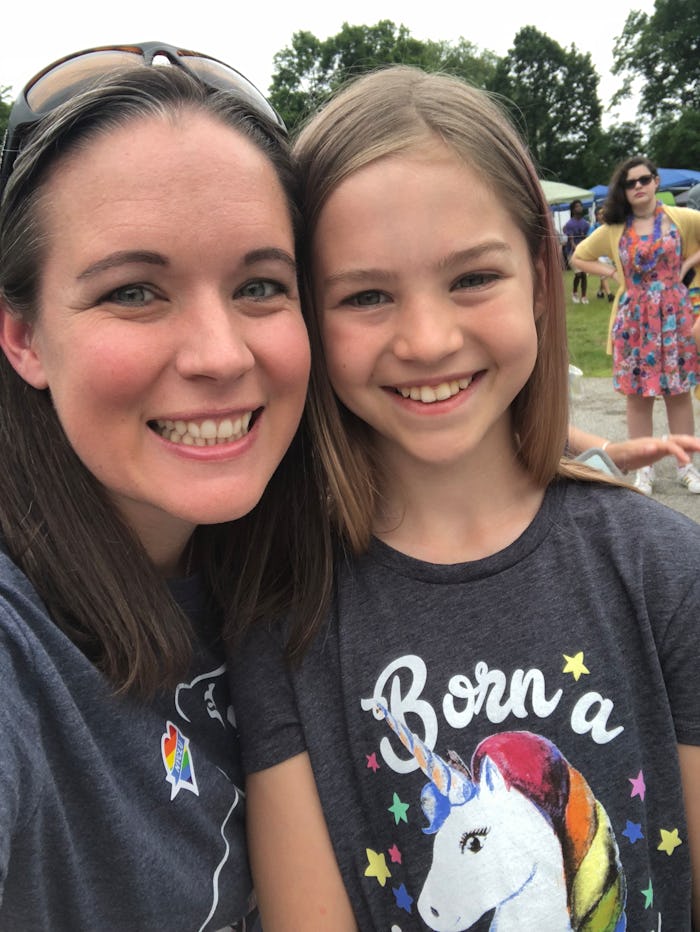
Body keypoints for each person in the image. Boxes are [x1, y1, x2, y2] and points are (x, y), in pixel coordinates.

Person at [229, 67, 700, 931]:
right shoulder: (283, 614)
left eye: (473, 278)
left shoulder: (666, 571)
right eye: (366, 295)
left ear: (538, 275)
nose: (427, 338)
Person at [0, 43, 318, 929]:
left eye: (260, 284)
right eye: (135, 291)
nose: (221, 356)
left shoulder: (311, 558)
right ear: (23, 337)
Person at [572, 157, 700, 497]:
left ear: (656, 182)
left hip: (674, 316)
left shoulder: (682, 218)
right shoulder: (615, 228)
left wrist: (690, 262)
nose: (638, 187)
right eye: (630, 183)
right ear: (624, 191)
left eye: (644, 180)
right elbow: (577, 258)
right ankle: (644, 468)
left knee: (678, 393)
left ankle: (686, 465)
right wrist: (611, 273)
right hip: (635, 320)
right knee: (638, 396)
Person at [563, 199, 590, 303]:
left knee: (583, 274)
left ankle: (584, 296)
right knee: (578, 274)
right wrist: (576, 248)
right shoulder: (570, 224)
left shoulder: (585, 224)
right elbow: (571, 240)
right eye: (577, 206)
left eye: (580, 206)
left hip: (583, 252)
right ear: (573, 210)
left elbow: (587, 238)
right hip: (572, 252)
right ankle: (574, 293)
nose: (580, 208)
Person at [586, 204, 615, 302]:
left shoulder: (609, 227)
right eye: (599, 214)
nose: (601, 216)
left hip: (608, 255)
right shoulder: (593, 227)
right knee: (604, 273)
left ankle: (600, 292)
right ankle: (609, 294)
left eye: (603, 213)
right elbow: (589, 241)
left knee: (605, 275)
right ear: (596, 216)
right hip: (599, 255)